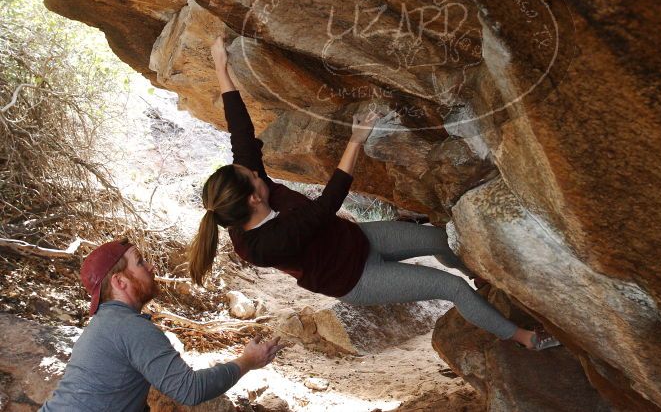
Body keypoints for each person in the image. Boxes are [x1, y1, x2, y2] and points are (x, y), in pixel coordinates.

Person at [188, 36, 560, 351]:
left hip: (358, 239)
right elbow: (324, 208)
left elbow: (241, 133)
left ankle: (484, 279)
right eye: (251, 177)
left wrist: (221, 66)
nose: (255, 172)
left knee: (437, 239)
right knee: (451, 287)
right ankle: (526, 338)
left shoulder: (249, 194)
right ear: (253, 199)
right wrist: (355, 141)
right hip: (356, 278)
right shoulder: (261, 246)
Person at [41, 238, 285, 411]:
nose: (151, 267)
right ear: (120, 281)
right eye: (140, 262)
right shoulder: (130, 327)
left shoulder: (105, 324)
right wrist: (248, 361)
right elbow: (190, 390)